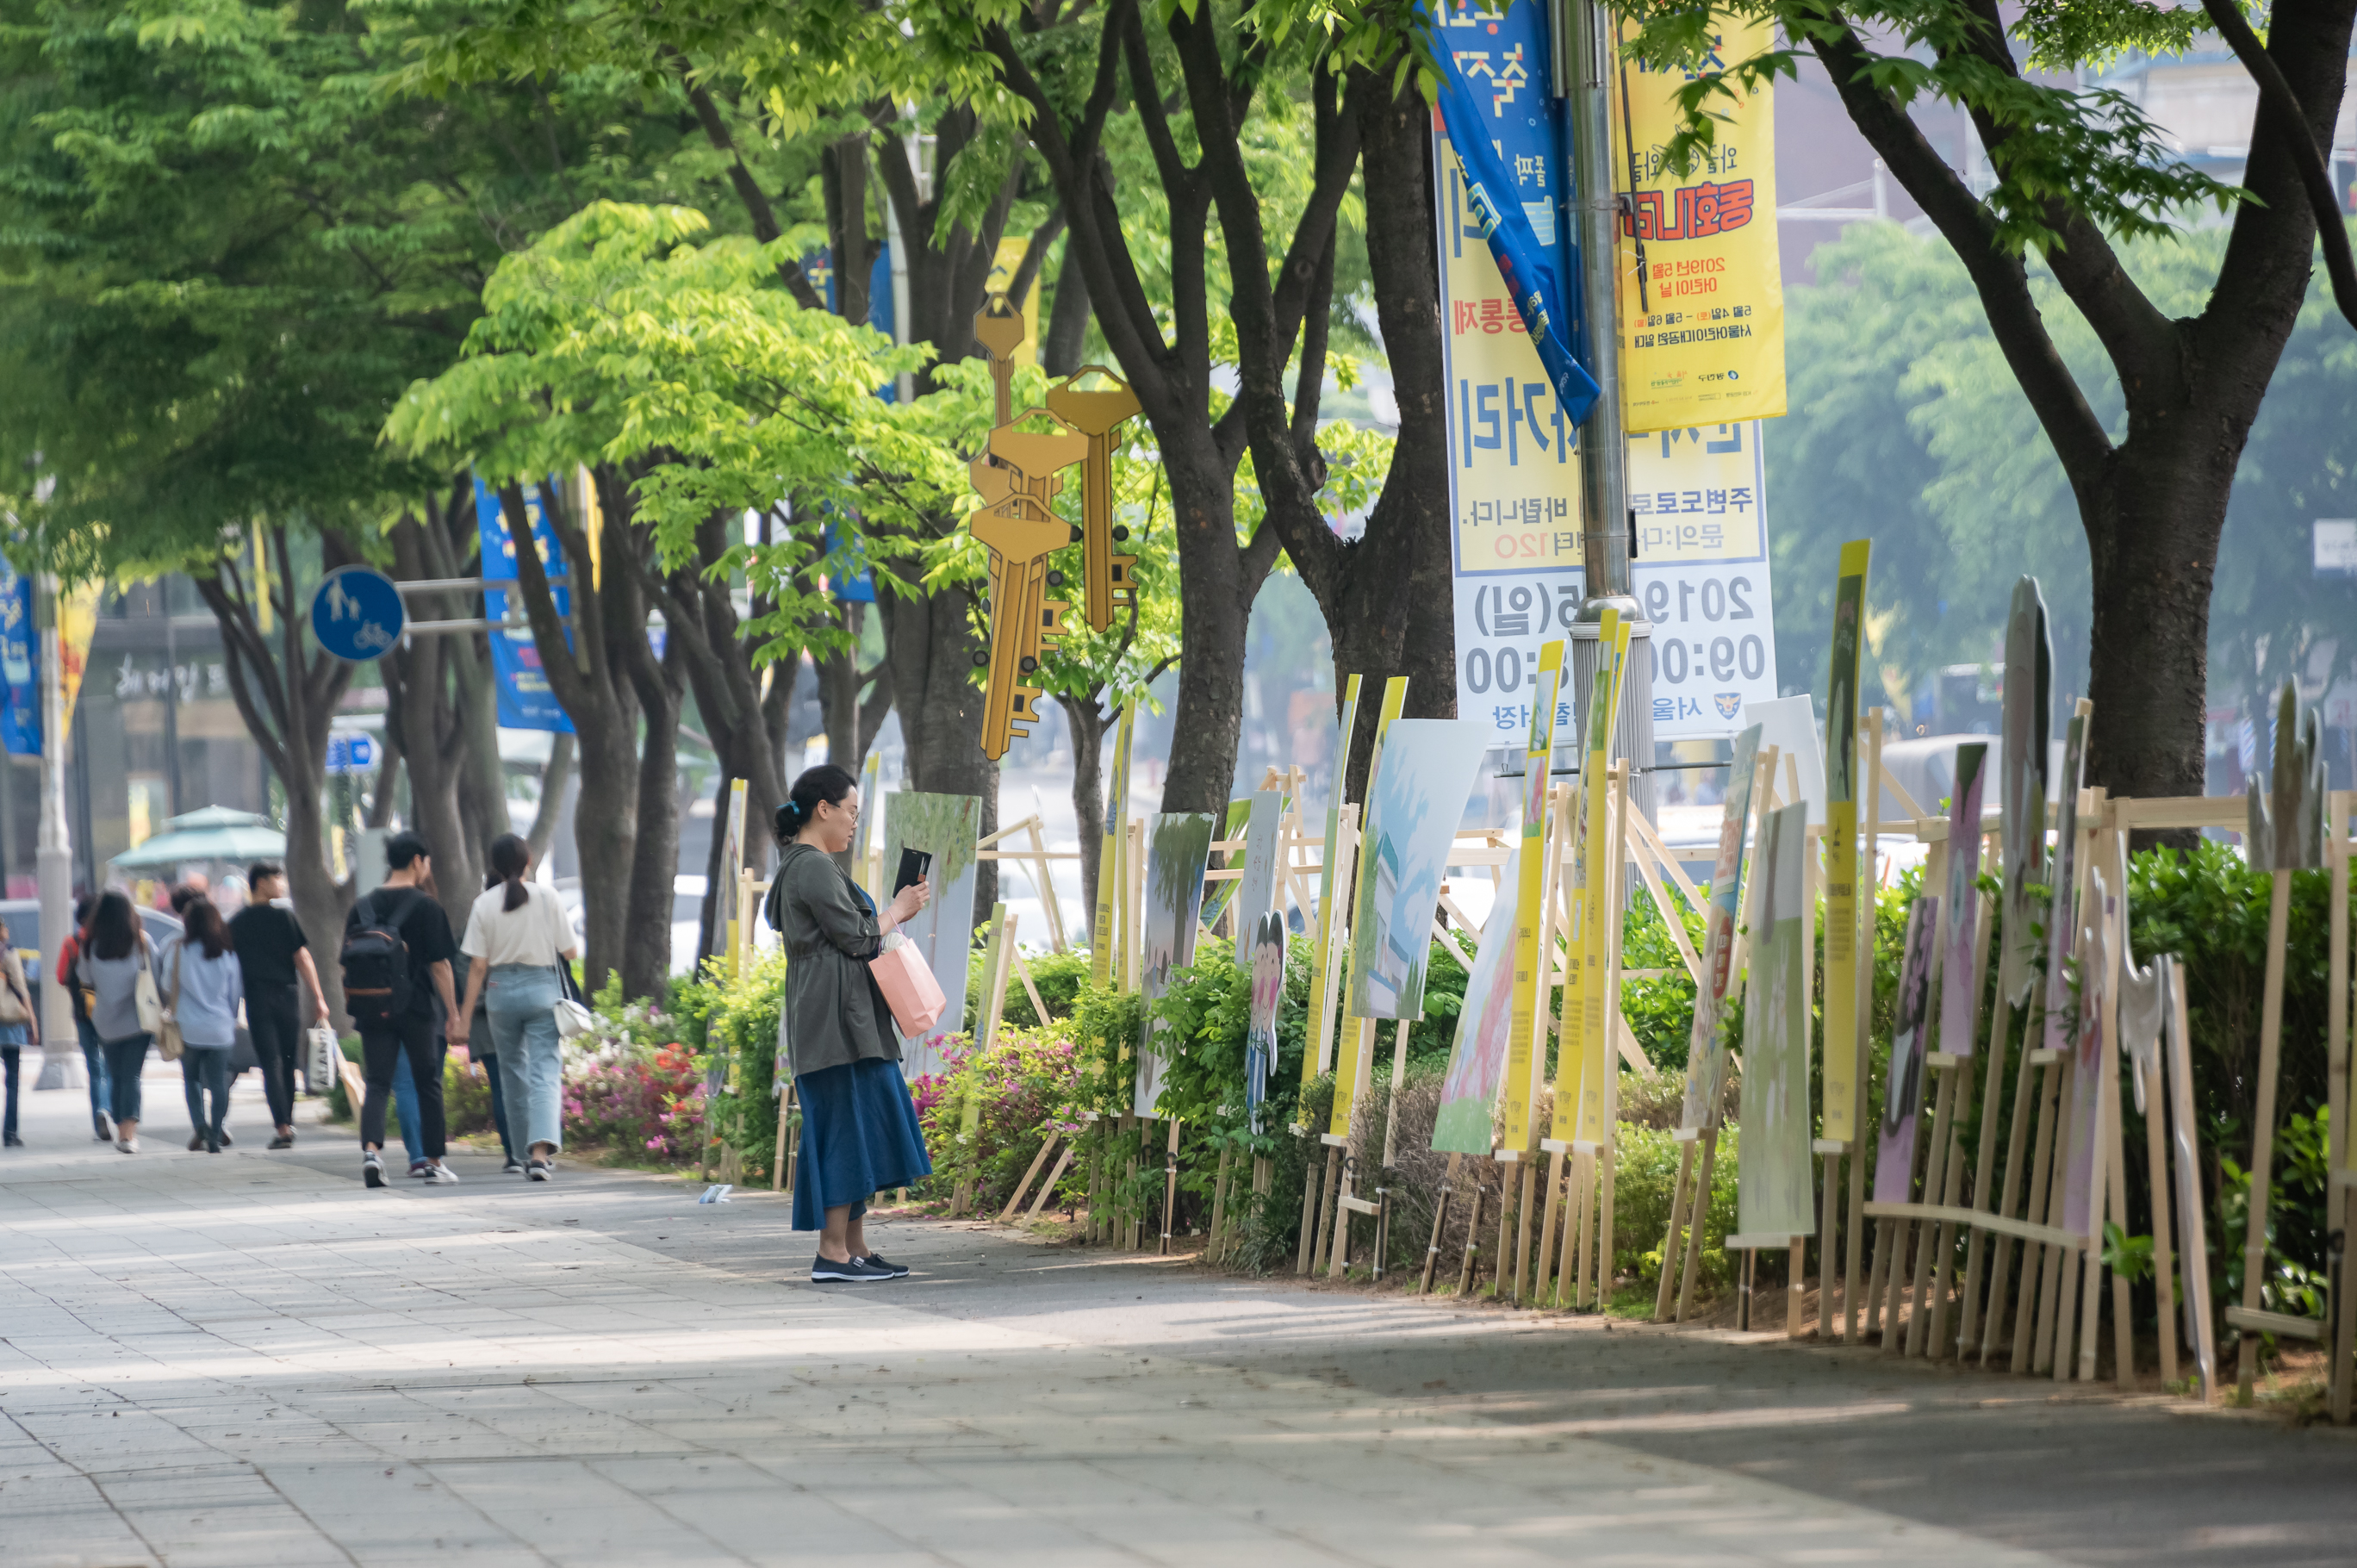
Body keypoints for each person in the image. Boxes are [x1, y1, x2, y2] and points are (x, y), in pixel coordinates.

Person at [766, 764, 932, 1283]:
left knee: (857, 1128)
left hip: (845, 1020)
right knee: (842, 1130)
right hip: (834, 1023)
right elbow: (859, 938)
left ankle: (853, 1248)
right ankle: (833, 1253)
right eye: (852, 812)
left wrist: (890, 914)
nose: (855, 822)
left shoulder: (811, 864)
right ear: (824, 809)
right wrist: (897, 910)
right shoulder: (811, 865)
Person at [451, 833, 578, 1182]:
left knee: (512, 1076)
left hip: (499, 993)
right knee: (544, 1072)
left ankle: (523, 1154)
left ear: (494, 865)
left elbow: (477, 966)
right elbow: (571, 952)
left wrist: (463, 1019)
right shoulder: (548, 897)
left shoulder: (483, 904)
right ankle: (540, 1154)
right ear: (529, 860)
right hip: (542, 990)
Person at [345, 831, 461, 1187]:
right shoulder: (426, 906)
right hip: (415, 1007)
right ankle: (433, 1161)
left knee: (378, 1081)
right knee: (427, 1081)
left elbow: (347, 960)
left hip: (371, 1004)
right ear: (417, 861)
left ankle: (371, 1153)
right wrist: (454, 1015)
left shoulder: (361, 906)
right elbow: (440, 966)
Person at [228, 862, 328, 1148]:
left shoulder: (237, 923)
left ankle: (283, 1126)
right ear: (260, 882)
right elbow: (303, 958)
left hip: (257, 998)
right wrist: (318, 998)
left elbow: (229, 964)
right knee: (287, 1061)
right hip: (287, 996)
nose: (281, 884)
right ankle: (288, 1123)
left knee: (270, 1062)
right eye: (276, 879)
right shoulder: (285, 918)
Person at [78, 891, 156, 1153]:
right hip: (138, 1020)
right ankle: (127, 1134)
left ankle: (119, 1125)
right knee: (132, 1076)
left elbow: (84, 980)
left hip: (105, 1022)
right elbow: (156, 976)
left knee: (116, 1075)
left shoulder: (89, 947)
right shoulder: (141, 942)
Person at [163, 900, 242, 1154]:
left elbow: (167, 984)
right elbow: (234, 993)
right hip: (220, 1028)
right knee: (220, 1084)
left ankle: (200, 1127)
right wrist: (229, 1017)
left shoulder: (178, 951)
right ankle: (216, 1133)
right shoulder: (227, 954)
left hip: (187, 1027)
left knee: (192, 1080)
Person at [451, 951, 522, 1174]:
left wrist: (483, 1001)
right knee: (517, 1084)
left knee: (502, 1088)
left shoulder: (473, 931)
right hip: (512, 1017)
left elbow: (464, 971)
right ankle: (525, 1150)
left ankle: (514, 1154)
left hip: (487, 1020)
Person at [56, 896, 112, 1142]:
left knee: (94, 1068)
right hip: (110, 1011)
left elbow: (60, 977)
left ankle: (98, 1115)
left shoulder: (71, 942)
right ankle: (107, 1109)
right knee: (111, 1066)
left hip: (82, 1012)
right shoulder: (109, 940)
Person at [0, 918, 37, 1146]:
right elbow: (21, 988)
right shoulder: (8, 953)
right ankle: (10, 1133)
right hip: (9, 1023)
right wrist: (31, 1019)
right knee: (12, 1079)